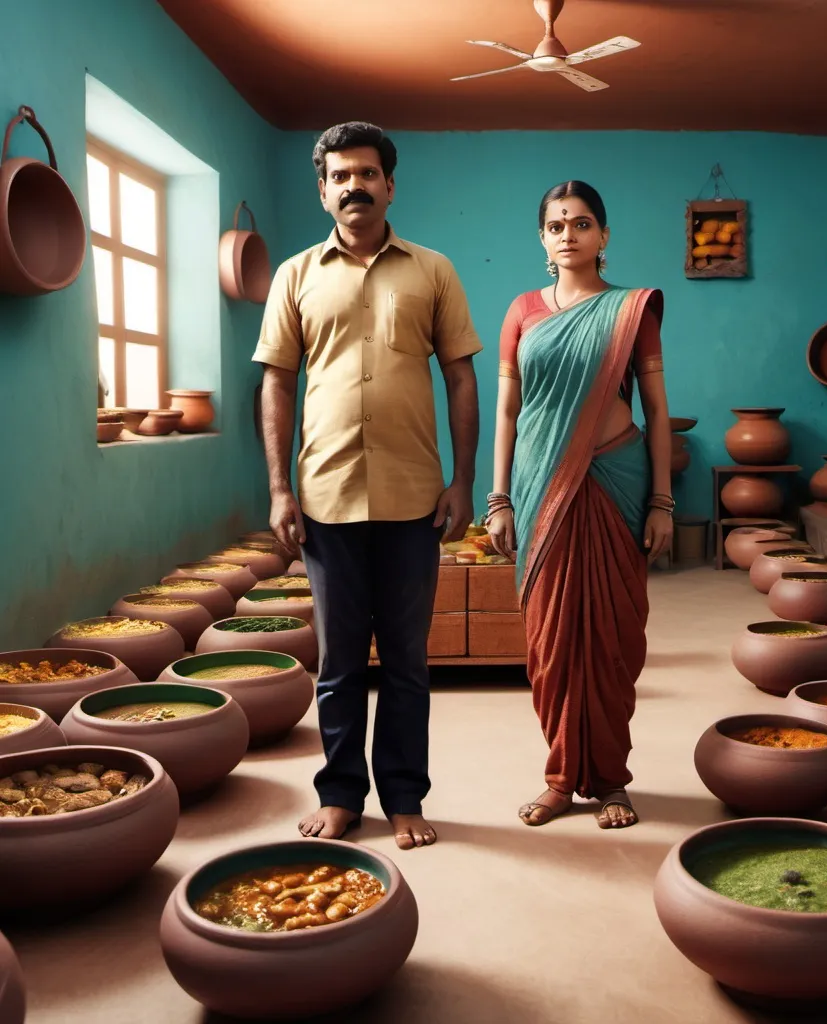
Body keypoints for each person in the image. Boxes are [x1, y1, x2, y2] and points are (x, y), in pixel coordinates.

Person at [253, 121, 482, 850]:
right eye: (340, 176)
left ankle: (405, 797)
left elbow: (460, 377)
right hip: (326, 496)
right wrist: (279, 489)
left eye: (367, 173)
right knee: (340, 662)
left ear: (389, 184)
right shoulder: (295, 275)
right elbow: (278, 384)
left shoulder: (434, 271)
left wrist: (463, 482)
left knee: (408, 663)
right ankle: (343, 794)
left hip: (415, 497)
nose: (354, 185)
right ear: (323, 190)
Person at [487, 181, 672, 830]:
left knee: (613, 641)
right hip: (541, 486)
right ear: (542, 238)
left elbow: (657, 408)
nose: (569, 234)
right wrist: (499, 496)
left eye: (583, 223)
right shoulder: (521, 311)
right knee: (551, 642)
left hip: (617, 478)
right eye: (557, 225)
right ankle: (561, 778)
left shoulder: (630, 310)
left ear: (604, 236)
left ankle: (612, 782)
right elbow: (507, 411)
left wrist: (663, 500)